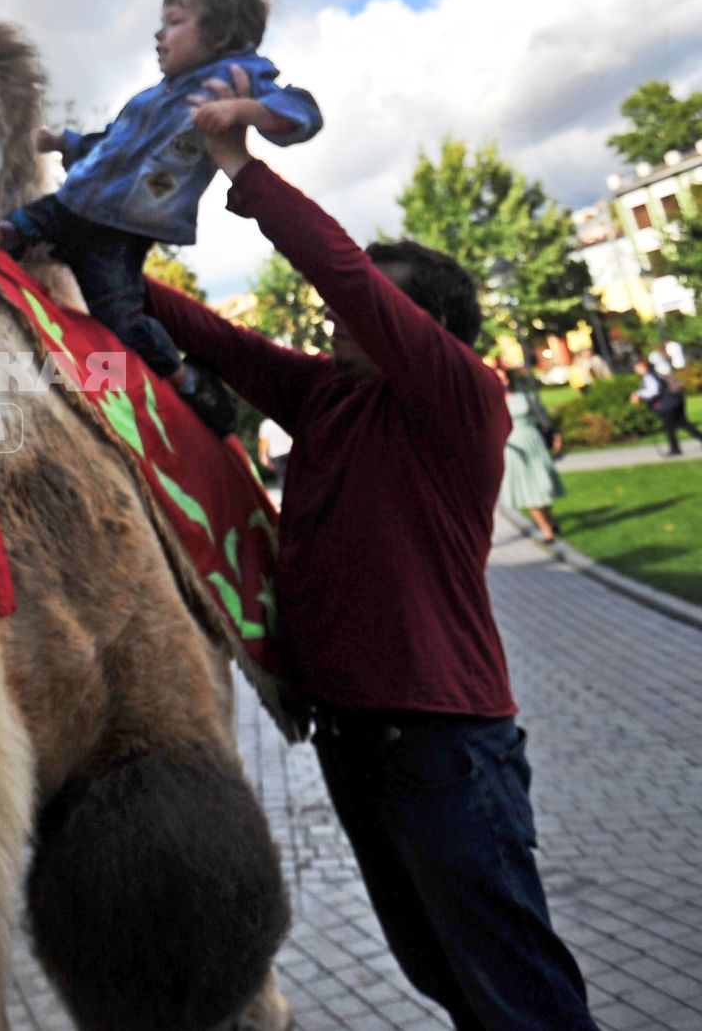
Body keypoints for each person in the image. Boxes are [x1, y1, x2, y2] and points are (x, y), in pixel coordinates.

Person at [138, 64, 597, 1031]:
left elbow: (339, 271)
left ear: (420, 330)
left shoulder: (456, 395)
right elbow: (220, 343)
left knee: (520, 995)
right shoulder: (332, 392)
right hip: (354, 741)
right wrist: (105, 270)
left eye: (372, 312)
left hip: (441, 749)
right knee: (443, 971)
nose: (342, 317)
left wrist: (241, 169)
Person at [0, 0, 322, 434]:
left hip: (118, 233)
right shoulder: (149, 99)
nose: (158, 32)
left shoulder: (237, 76)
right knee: (11, 230)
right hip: (70, 206)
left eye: (173, 21)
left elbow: (304, 113)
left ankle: (187, 379)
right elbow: (107, 148)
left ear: (220, 34)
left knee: (122, 322)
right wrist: (60, 141)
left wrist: (240, 110)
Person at [497, 367, 563, 543]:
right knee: (530, 490)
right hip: (514, 447)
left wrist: (555, 433)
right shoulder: (493, 402)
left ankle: (548, 519)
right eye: (499, 379)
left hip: (533, 441)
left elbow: (541, 415)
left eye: (504, 378)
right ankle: (547, 530)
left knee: (545, 485)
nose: (503, 382)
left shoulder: (523, 395)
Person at [633, 358, 702, 456]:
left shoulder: (649, 376)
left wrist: (639, 394)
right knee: (683, 423)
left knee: (669, 427)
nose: (635, 370)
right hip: (676, 401)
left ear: (644, 367)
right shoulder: (656, 374)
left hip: (667, 405)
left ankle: (675, 449)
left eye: (637, 367)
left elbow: (654, 391)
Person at [256, 415, 293, 491]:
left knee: (282, 479)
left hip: (277, 455)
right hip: (289, 451)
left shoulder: (265, 425)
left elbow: (263, 442)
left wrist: (263, 457)